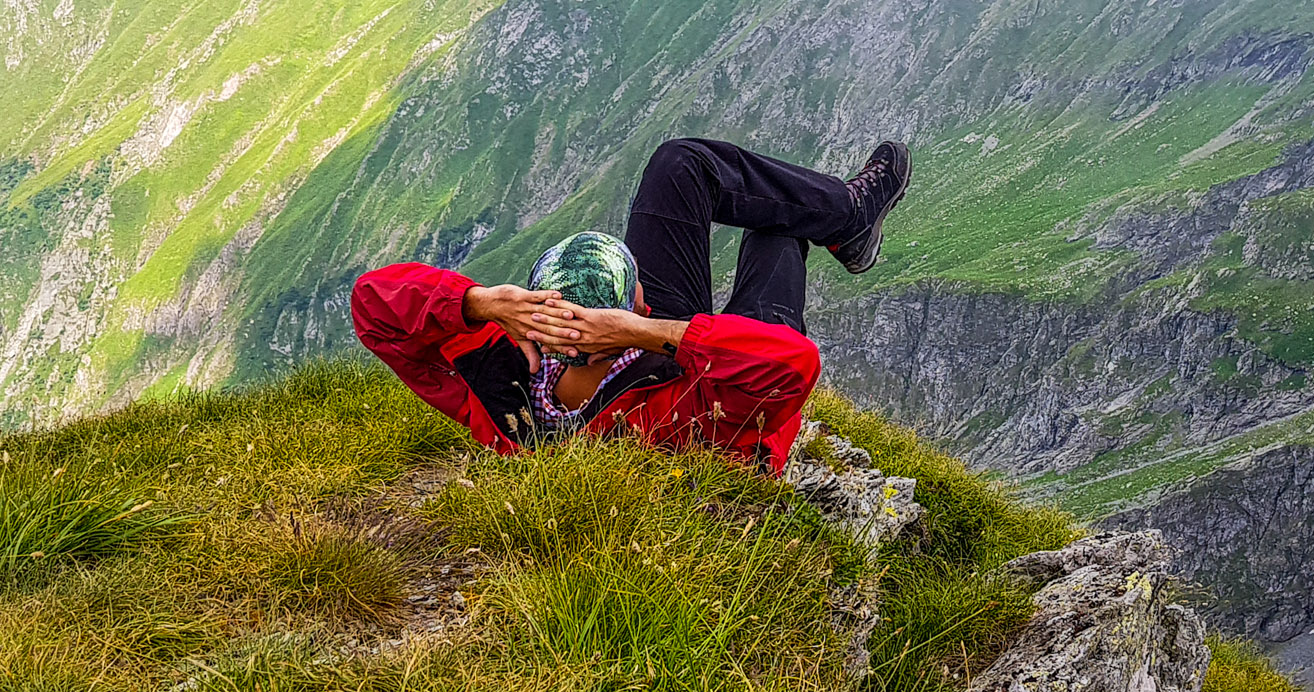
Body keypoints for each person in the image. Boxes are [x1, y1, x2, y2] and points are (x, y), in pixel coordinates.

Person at [350, 138, 911, 475]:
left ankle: (846, 217)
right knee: (778, 233)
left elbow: (371, 304)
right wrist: (647, 332)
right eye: (638, 286)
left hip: (625, 352)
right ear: (628, 309)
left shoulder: (496, 382)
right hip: (722, 384)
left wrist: (477, 303)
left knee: (681, 165)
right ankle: (841, 221)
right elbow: (791, 365)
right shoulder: (672, 409)